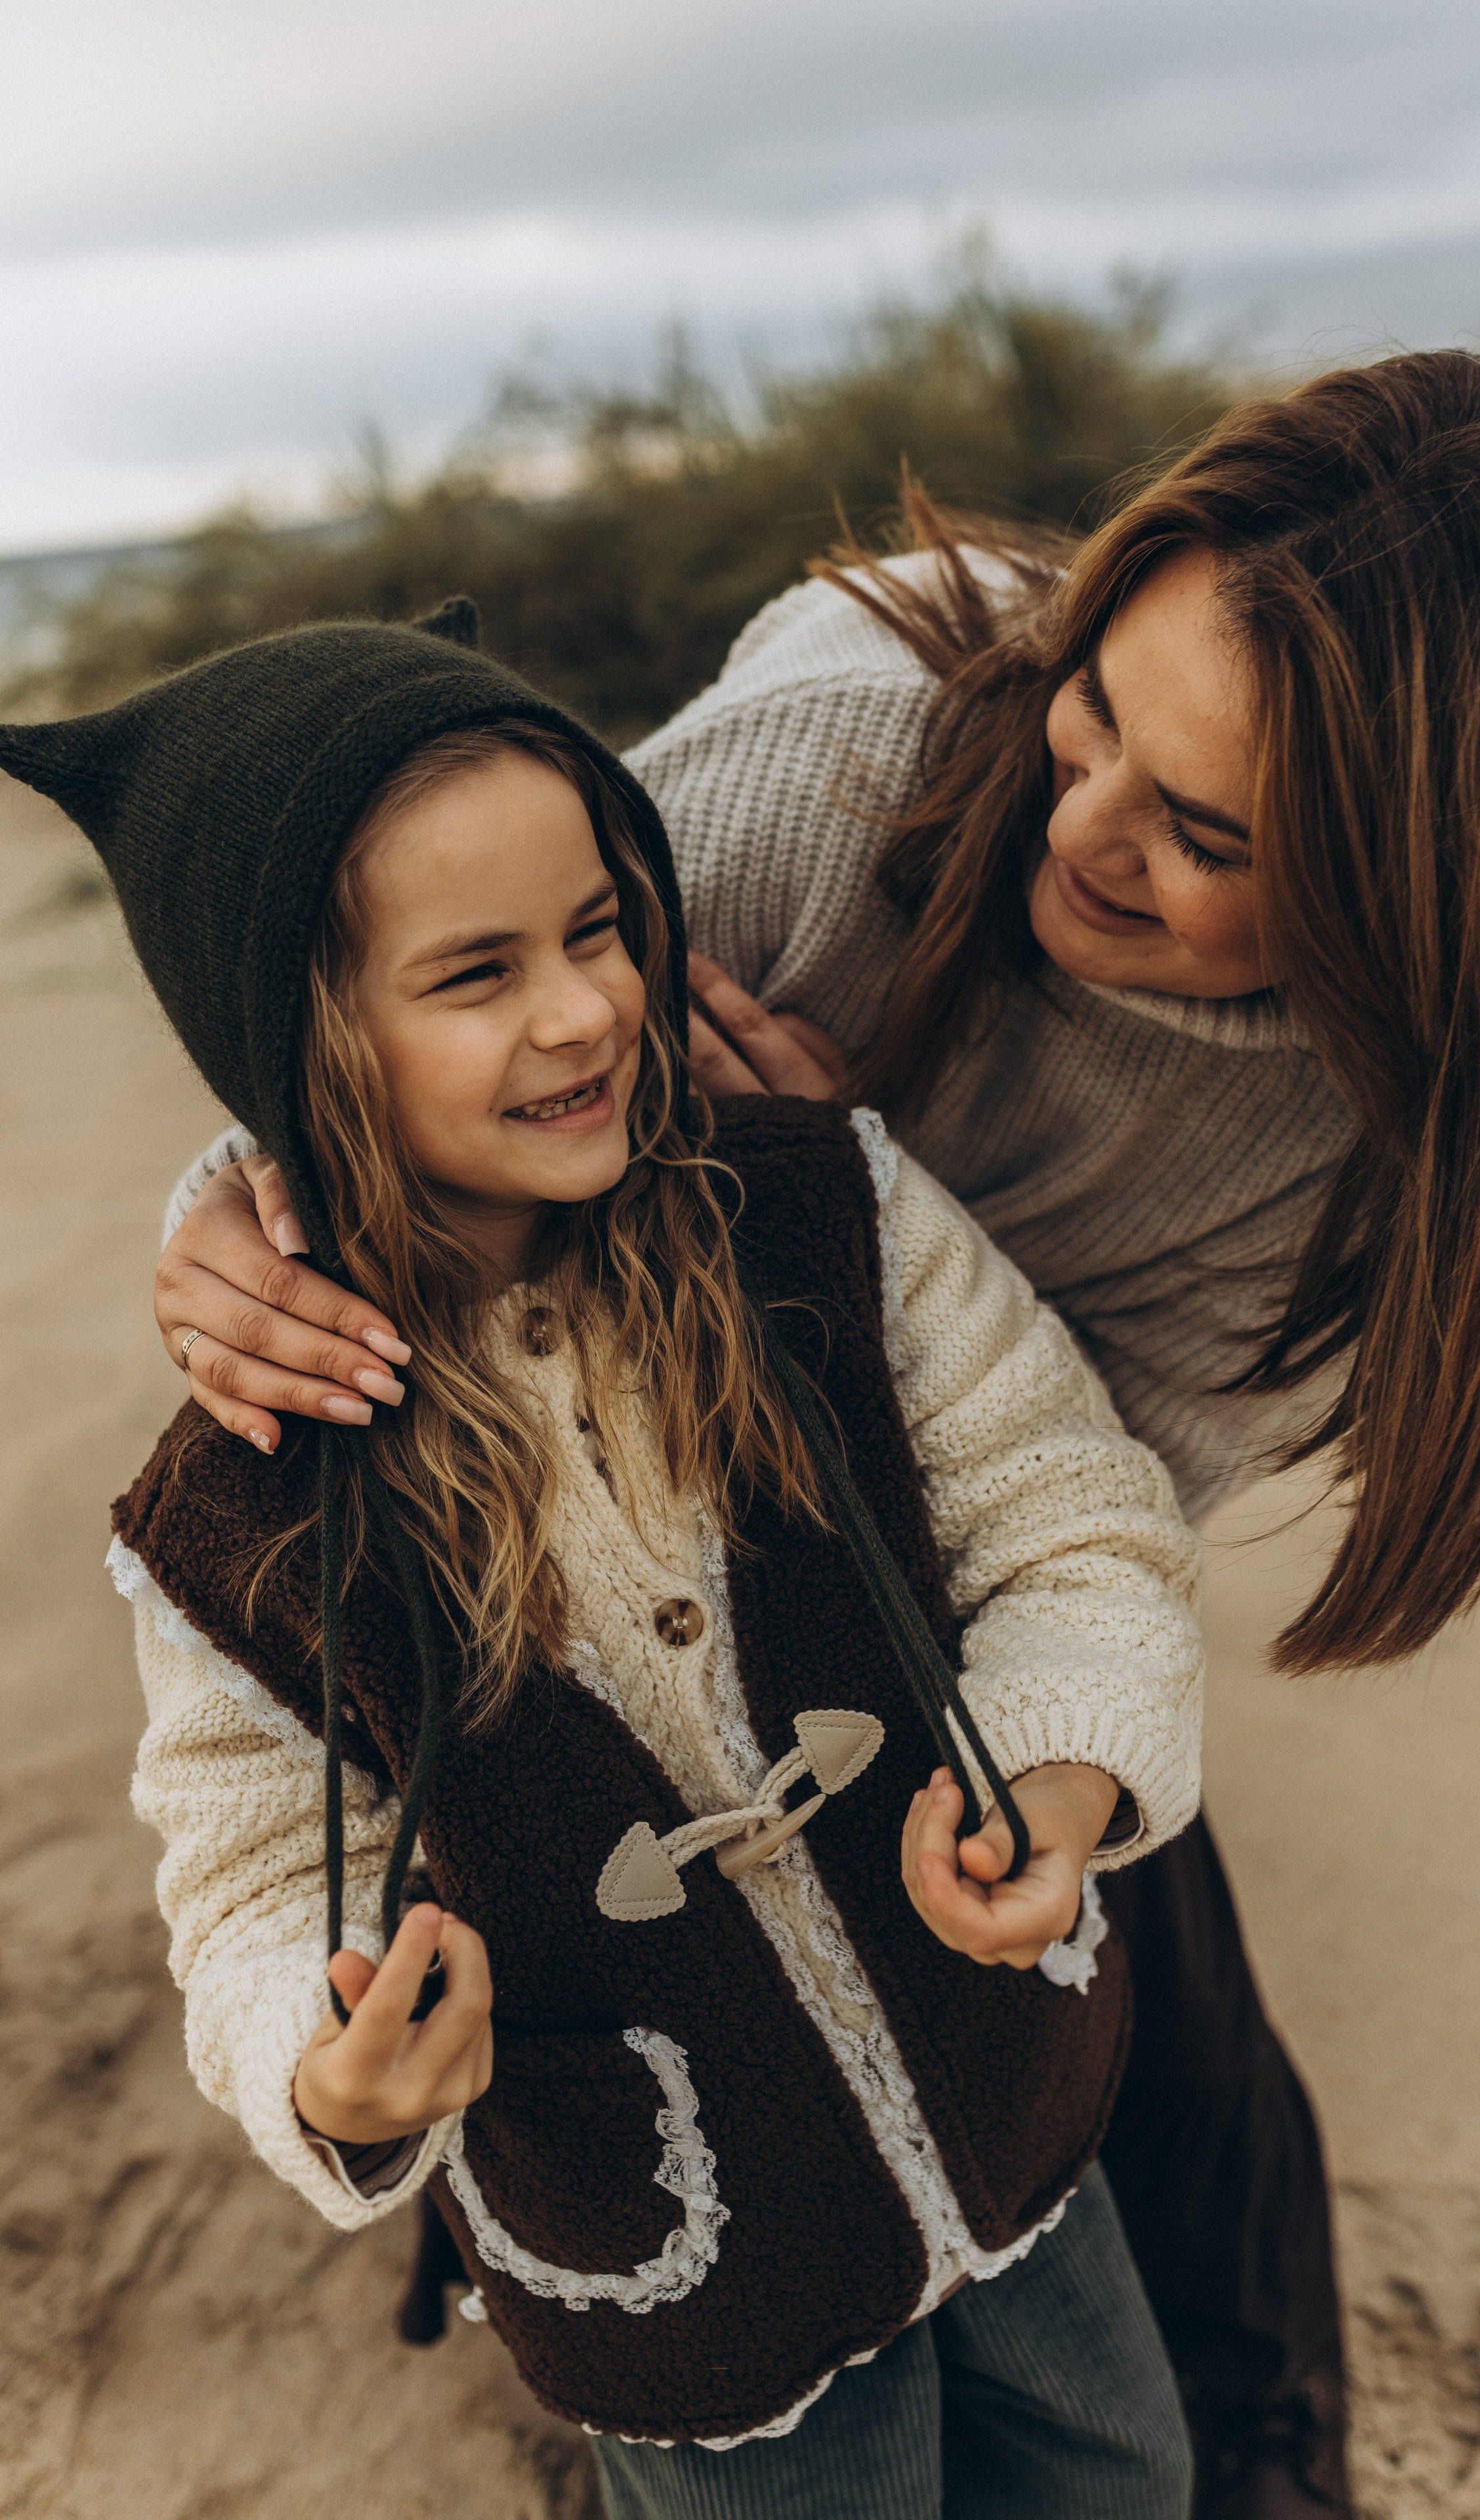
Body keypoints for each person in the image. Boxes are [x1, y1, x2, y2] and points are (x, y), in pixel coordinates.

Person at [143, 350, 1480, 2517]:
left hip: (906, 1556)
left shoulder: (1377, 1156)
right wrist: (236, 1216)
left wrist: (830, 1216)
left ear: (1428, 900)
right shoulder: (839, 756)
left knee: (1157, 2003)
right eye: (1095, 714)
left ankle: (1267, 2444)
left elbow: (1065, 1517)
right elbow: (403, 989)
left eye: (1211, 835)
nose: (1085, 830)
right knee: (541, 1937)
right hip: (541, 1491)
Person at [0, 610, 1212, 2517]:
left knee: (1117, 2471)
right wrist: (328, 2068)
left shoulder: (820, 1209)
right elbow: (241, 1868)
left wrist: (1058, 1761)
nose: (580, 1011)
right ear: (300, 1040)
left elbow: (1071, 1516)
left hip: (999, 2073)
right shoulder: (239, 1502)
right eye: (474, 973)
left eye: (598, 927)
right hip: (672, 2239)